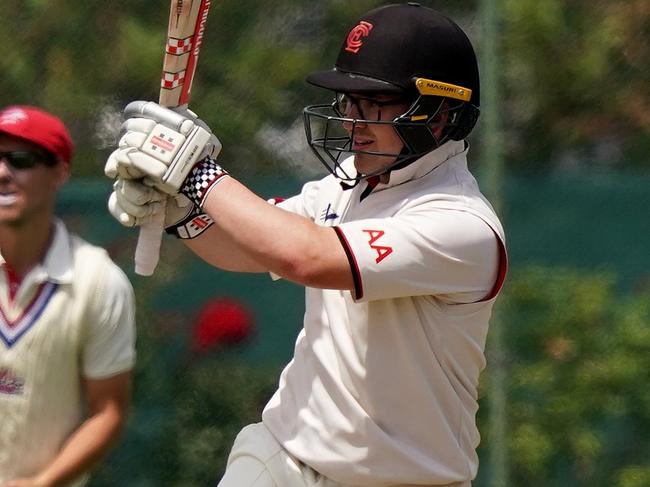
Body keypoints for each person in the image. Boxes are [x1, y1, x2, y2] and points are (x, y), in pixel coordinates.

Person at [105, 3, 507, 486]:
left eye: (374, 103)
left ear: (439, 115)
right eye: (349, 102)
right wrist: (183, 215)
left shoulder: (461, 225)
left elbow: (307, 256)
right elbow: (250, 247)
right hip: (285, 458)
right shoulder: (344, 189)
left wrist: (196, 175)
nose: (354, 121)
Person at [0, 105, 136, 487]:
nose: (2, 173)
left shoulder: (98, 280)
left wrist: (42, 483)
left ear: (59, 173)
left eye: (21, 160)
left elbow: (108, 410)